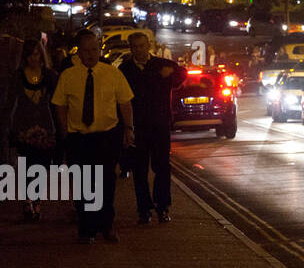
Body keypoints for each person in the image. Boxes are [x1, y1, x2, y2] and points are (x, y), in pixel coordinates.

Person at [52, 29, 135, 245]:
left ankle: (106, 225)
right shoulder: (68, 75)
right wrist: (63, 132)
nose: (90, 55)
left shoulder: (112, 74)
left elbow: (124, 102)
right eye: (86, 51)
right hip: (79, 137)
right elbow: (59, 104)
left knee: (107, 182)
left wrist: (128, 129)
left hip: (107, 136)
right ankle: (86, 228)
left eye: (94, 50)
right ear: (78, 52)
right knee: (82, 183)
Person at [118, 31, 185, 224]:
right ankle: (144, 210)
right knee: (139, 170)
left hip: (159, 125)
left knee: (162, 167)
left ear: (148, 46)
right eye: (135, 46)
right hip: (138, 127)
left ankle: (162, 207)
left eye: (141, 45)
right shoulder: (125, 70)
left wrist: (170, 74)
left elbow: (182, 73)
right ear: (130, 48)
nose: (138, 49)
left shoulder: (161, 65)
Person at [6, 40, 60, 222]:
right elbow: (10, 103)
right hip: (24, 126)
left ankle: (36, 199)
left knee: (43, 166)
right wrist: (9, 126)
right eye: (30, 55)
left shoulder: (50, 76)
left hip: (46, 126)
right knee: (26, 166)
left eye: (37, 54)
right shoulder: (18, 76)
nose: (33, 58)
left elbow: (59, 102)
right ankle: (28, 201)